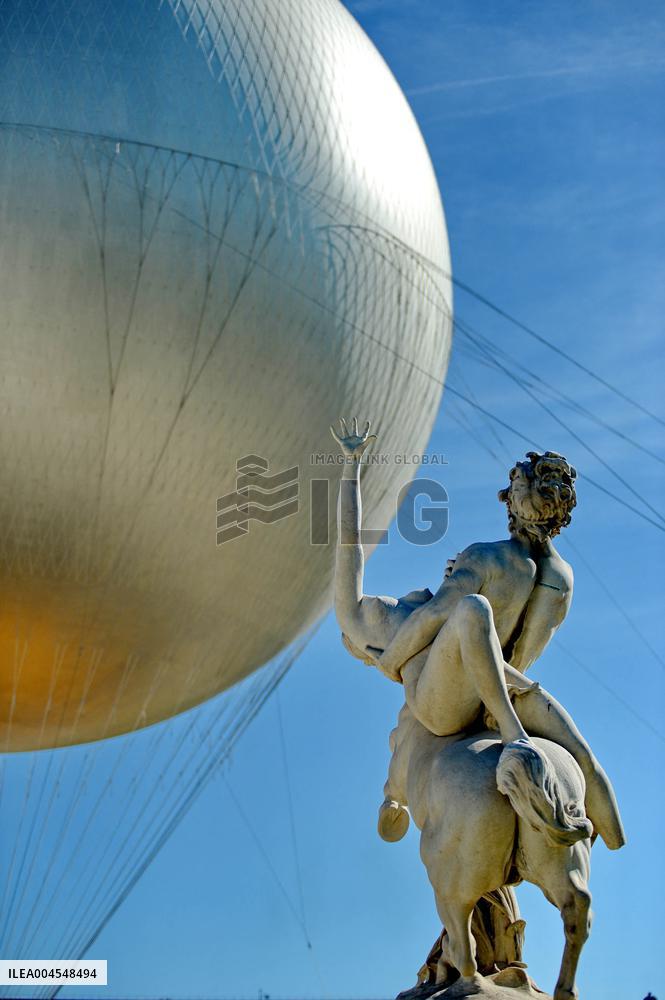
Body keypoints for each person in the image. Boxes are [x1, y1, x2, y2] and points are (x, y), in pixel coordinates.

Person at [331, 417, 625, 850]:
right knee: (580, 752)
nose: (382, 602)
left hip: (481, 689)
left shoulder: (489, 561)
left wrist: (394, 659)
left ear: (512, 501)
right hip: (480, 694)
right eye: (378, 608)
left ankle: (610, 837)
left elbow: (428, 610)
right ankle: (604, 829)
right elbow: (355, 550)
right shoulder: (558, 577)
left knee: (580, 752)